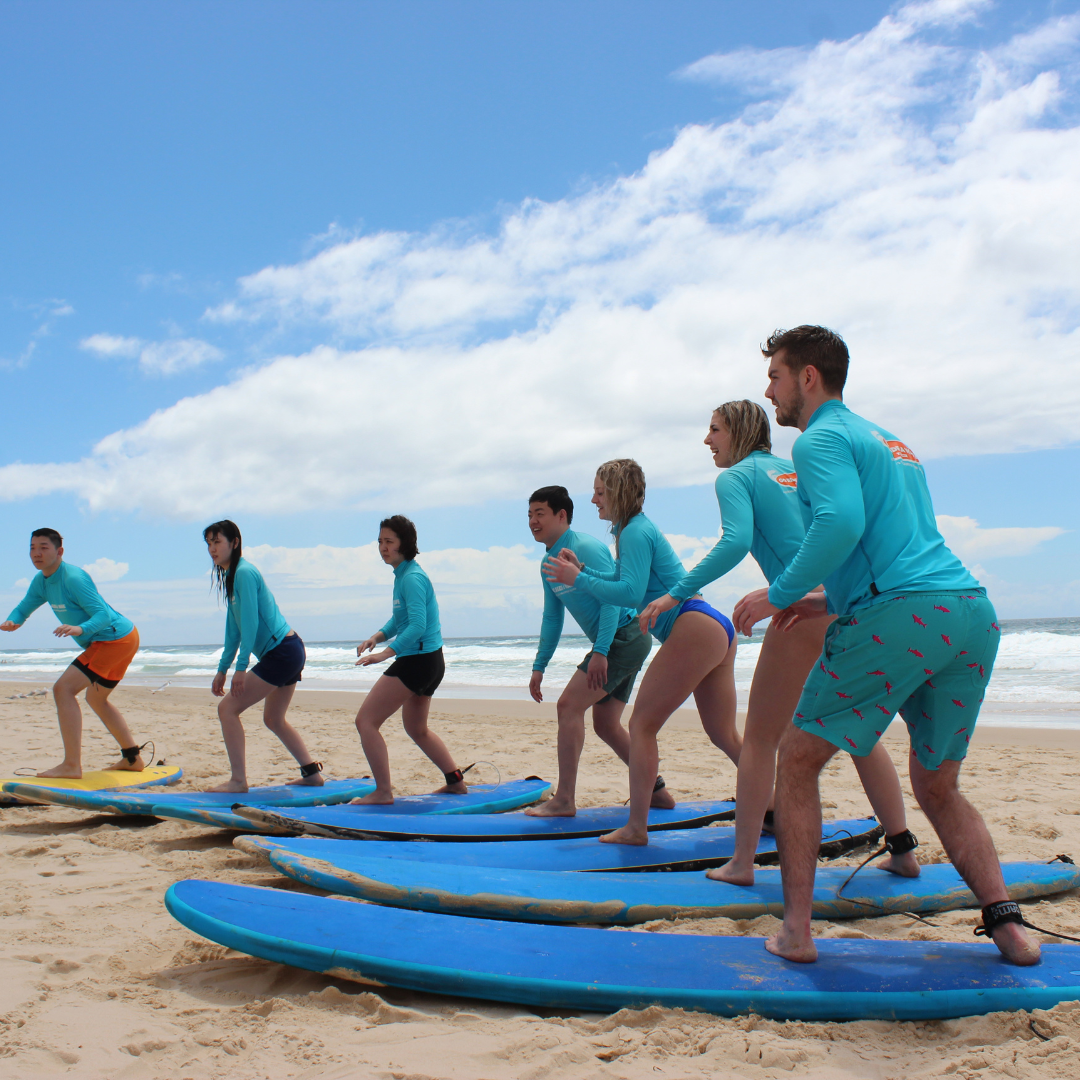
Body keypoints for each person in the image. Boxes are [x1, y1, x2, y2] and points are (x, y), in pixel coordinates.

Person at [730, 324, 1037, 966]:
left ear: (808, 377)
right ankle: (1009, 927)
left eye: (776, 376)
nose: (770, 391)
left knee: (798, 757)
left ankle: (797, 933)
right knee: (938, 784)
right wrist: (827, 600)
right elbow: (898, 543)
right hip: (968, 613)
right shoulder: (890, 441)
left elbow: (843, 524)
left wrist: (780, 592)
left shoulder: (819, 439)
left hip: (900, 615)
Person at [639, 402, 918, 886]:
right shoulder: (793, 471)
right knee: (859, 734)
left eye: (714, 430)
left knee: (762, 738)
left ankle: (743, 862)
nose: (708, 441)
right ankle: (903, 848)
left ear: (740, 432)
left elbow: (733, 542)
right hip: (843, 603)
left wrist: (673, 594)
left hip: (798, 613)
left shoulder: (736, 477)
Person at [544, 460, 740, 845]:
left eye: (600, 491)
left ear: (617, 492)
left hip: (693, 625)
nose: (594, 499)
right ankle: (772, 805)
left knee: (641, 726)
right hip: (714, 627)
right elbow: (625, 581)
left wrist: (577, 578)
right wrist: (583, 570)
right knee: (724, 735)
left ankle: (636, 828)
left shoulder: (634, 531)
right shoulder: (635, 530)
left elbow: (631, 596)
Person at [523, 485, 665, 818]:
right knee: (605, 723)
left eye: (539, 513)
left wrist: (601, 651)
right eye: (529, 515)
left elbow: (612, 597)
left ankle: (565, 799)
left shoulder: (586, 547)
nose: (532, 521)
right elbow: (552, 617)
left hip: (623, 636)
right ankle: (657, 793)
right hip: (619, 640)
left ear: (561, 516)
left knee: (568, 706)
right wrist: (539, 665)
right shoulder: (548, 564)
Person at [1, 528, 147, 778]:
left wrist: (80, 628)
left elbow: (101, 614)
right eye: (33, 547)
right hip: (125, 637)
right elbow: (24, 607)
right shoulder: (41, 581)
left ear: (59, 551)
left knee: (63, 689)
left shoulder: (74, 578)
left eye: (43, 547)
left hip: (113, 639)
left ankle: (71, 765)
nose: (36, 553)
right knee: (96, 698)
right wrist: (13, 621)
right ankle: (132, 758)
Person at [351, 515, 467, 804]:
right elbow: (399, 619)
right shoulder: (404, 575)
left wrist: (385, 654)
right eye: (380, 541)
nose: (383, 547)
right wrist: (376, 638)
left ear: (405, 544)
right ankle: (455, 781)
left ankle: (383, 792)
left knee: (366, 721)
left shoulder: (412, 578)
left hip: (418, 661)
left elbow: (417, 625)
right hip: (430, 660)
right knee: (416, 728)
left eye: (389, 541)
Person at [205, 520, 323, 793]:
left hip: (282, 651)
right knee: (273, 719)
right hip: (288, 650)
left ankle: (238, 781)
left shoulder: (244, 573)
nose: (212, 548)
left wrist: (241, 668)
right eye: (209, 543)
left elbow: (250, 625)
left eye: (217, 542)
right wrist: (224, 667)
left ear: (234, 543)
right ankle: (311, 773)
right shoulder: (231, 576)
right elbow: (233, 627)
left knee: (227, 709)